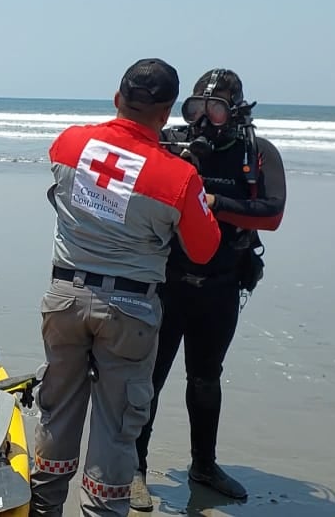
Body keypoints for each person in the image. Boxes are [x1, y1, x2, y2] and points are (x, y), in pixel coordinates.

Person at [29, 58, 222, 517]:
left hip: (65, 297)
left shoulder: (68, 143)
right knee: (117, 425)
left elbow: (87, 194)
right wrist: (195, 193)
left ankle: (43, 506)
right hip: (129, 309)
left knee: (57, 409)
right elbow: (204, 249)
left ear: (117, 98)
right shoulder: (177, 177)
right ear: (167, 112)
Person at [130, 68, 287, 509]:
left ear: (235, 112)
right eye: (196, 107)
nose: (203, 119)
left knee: (205, 378)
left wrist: (211, 202)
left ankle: (204, 465)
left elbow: (272, 213)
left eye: (215, 109)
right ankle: (134, 468)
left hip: (221, 285)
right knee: (149, 378)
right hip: (166, 282)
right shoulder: (169, 144)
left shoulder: (256, 152)